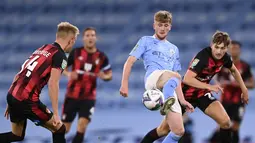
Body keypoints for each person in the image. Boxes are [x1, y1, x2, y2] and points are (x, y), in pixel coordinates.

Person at [140, 31, 249, 143]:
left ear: (226, 48)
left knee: (225, 122)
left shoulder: (225, 58)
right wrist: (209, 86)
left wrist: (244, 89)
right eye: (217, 47)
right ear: (212, 45)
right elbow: (187, 79)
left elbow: (234, 70)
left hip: (201, 94)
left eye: (222, 48)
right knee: (163, 130)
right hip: (184, 94)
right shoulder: (203, 57)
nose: (219, 51)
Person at [120, 10, 194, 143]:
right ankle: (167, 100)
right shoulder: (146, 41)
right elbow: (129, 62)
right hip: (153, 80)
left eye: (166, 25)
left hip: (169, 88)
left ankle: (168, 100)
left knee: (178, 131)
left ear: (170, 27)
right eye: (160, 25)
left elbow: (176, 81)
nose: (163, 28)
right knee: (175, 75)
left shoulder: (174, 49)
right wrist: (124, 84)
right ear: (154, 25)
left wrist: (182, 100)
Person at [0, 22, 79, 143]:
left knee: (17, 135)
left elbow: (22, 71)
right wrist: (56, 114)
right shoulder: (60, 56)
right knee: (59, 129)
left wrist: (12, 100)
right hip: (27, 100)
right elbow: (53, 83)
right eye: (74, 41)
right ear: (71, 40)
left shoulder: (43, 48)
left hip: (13, 95)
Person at [62, 27, 112, 143]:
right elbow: (61, 67)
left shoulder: (101, 57)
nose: (90, 37)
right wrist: (69, 74)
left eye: (92, 35)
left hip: (89, 98)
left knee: (82, 126)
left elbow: (109, 74)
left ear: (96, 38)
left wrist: (104, 76)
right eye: (87, 35)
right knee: (65, 129)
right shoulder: (75, 53)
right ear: (83, 38)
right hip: (71, 96)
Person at [209, 41, 254, 143]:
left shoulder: (245, 66)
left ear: (240, 50)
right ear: (228, 50)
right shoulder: (222, 65)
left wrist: (239, 85)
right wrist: (221, 84)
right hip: (225, 101)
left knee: (235, 127)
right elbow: (215, 79)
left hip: (239, 101)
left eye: (236, 48)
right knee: (223, 126)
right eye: (232, 48)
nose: (234, 50)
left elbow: (252, 84)